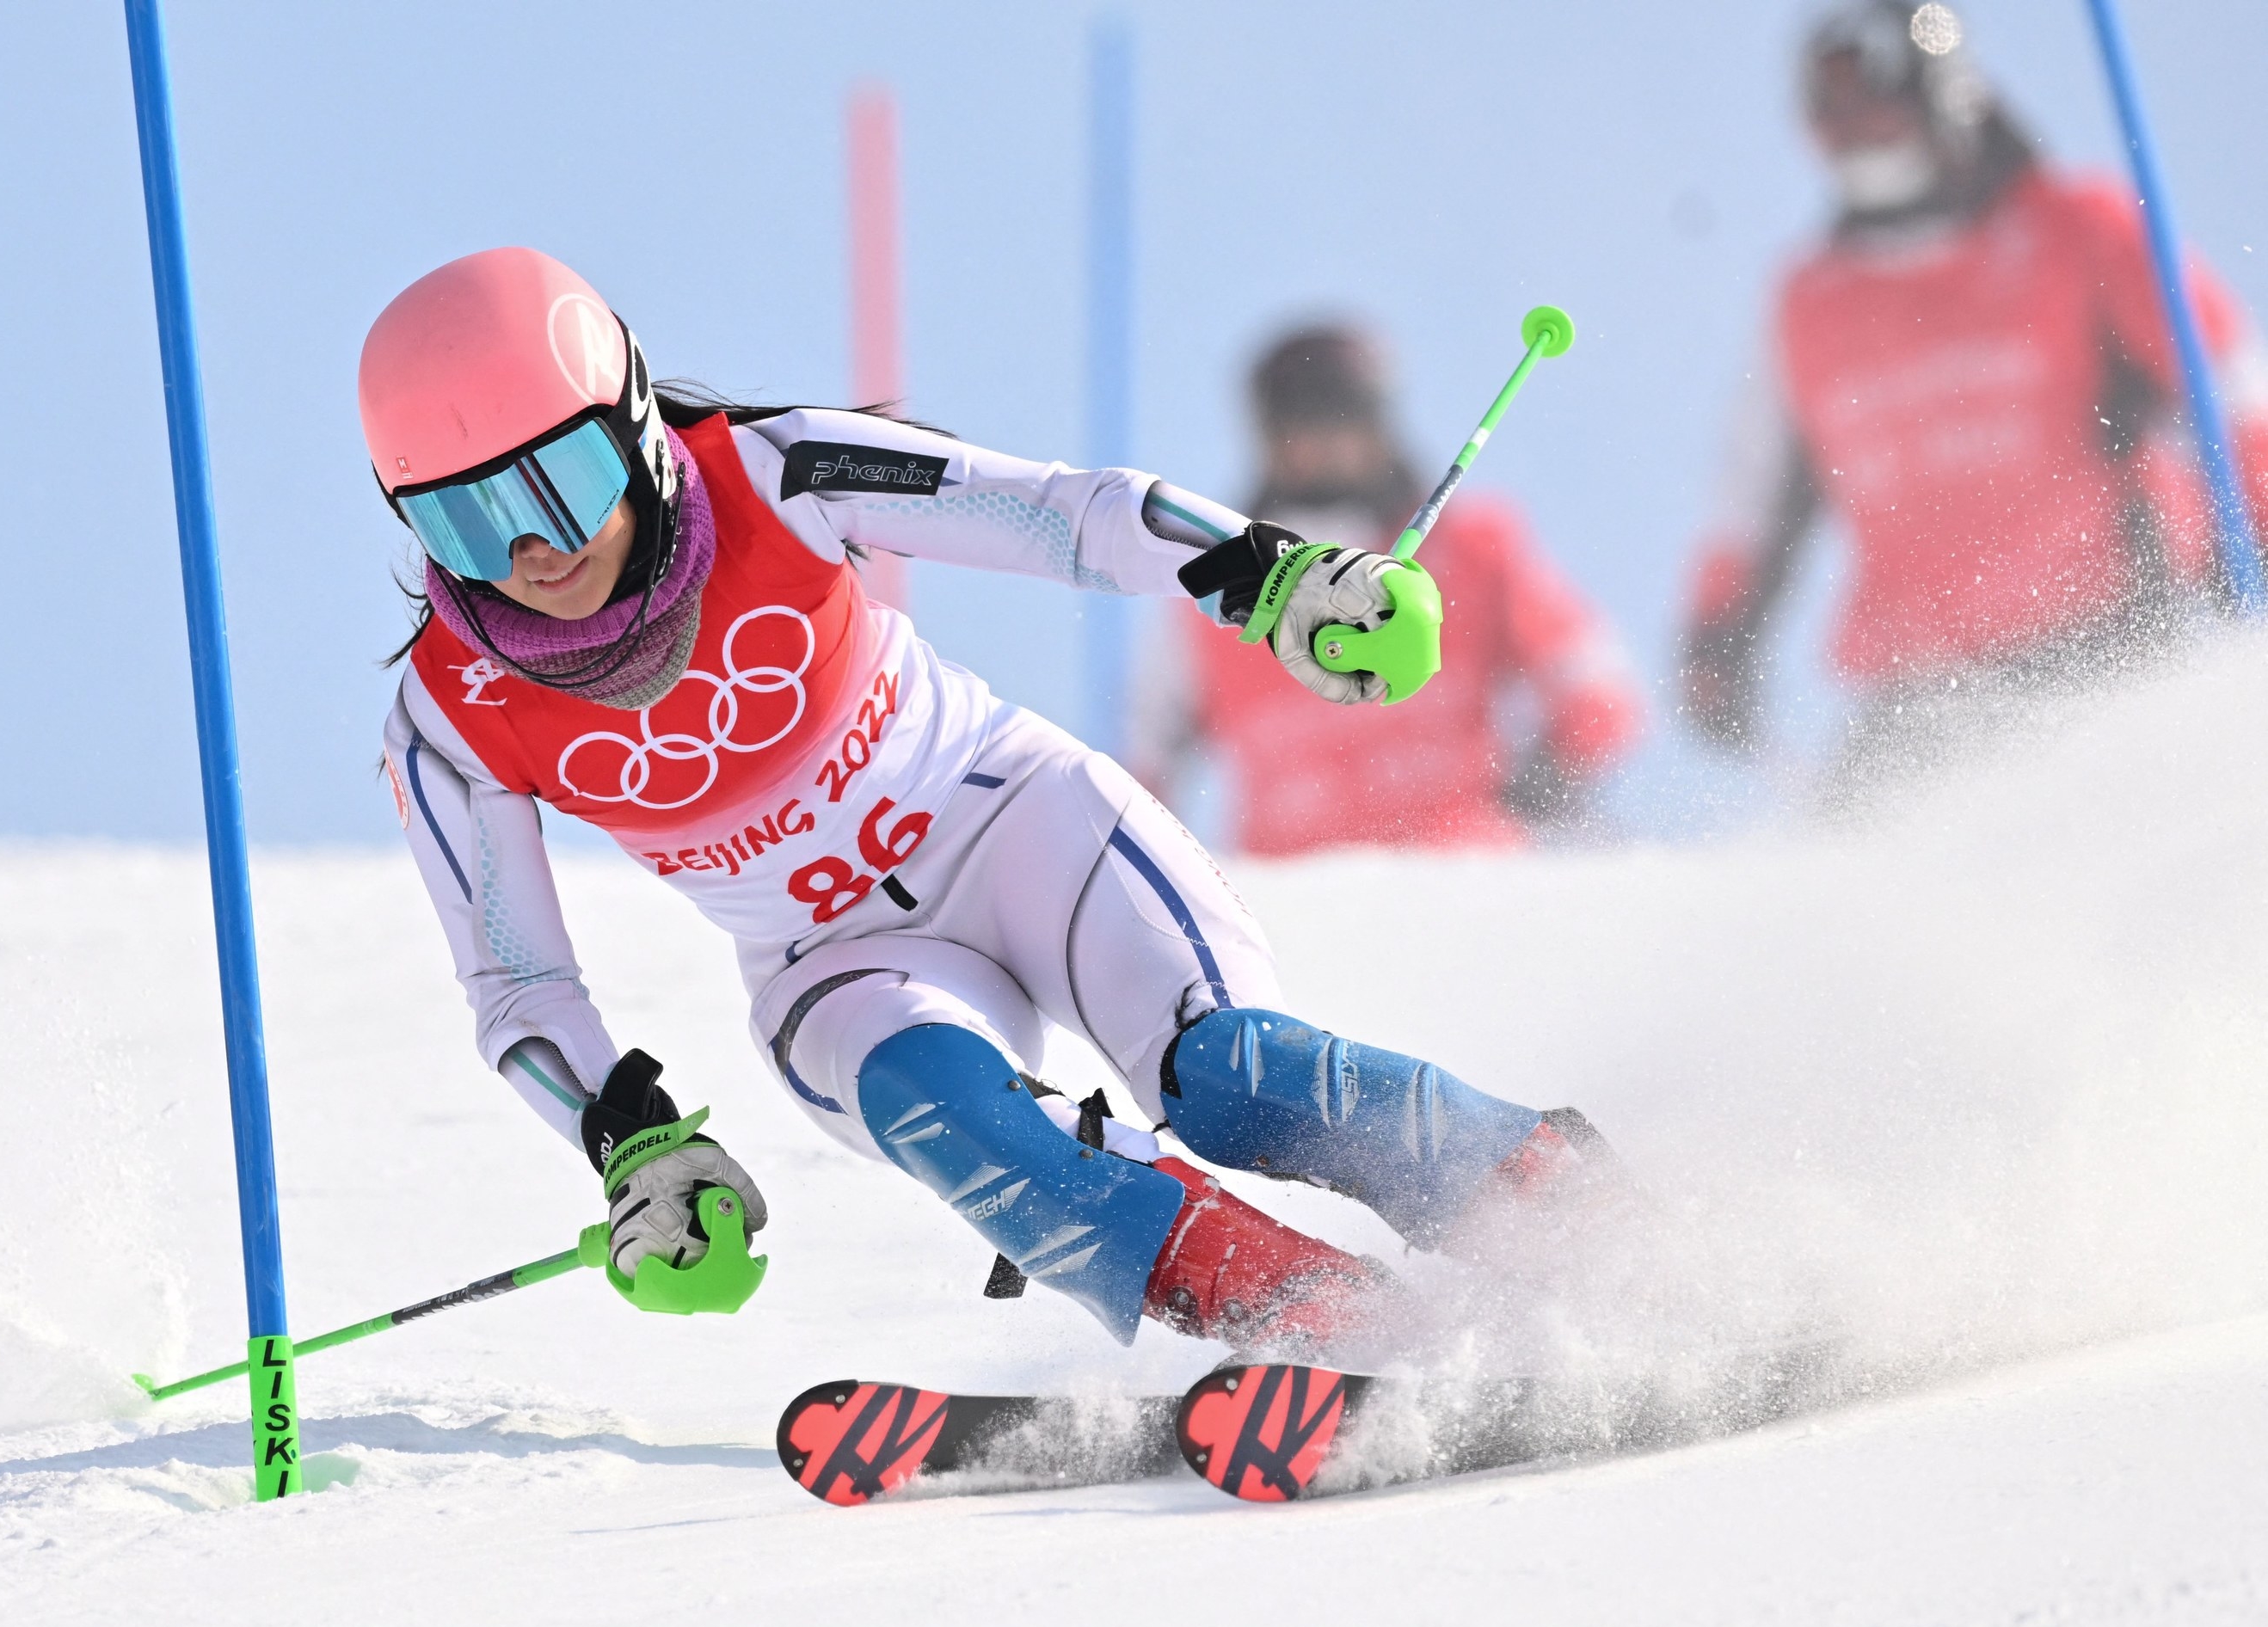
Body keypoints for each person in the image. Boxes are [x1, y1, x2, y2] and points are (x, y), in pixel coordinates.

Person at [363, 248, 1614, 1362]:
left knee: (1230, 1074)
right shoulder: (449, 715)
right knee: (957, 1122)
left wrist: (1272, 579)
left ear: (631, 422)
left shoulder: (778, 471)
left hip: (1020, 824)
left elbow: (1064, 515)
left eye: (562, 482)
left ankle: (1572, 1214)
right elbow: (520, 987)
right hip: (835, 962)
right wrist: (635, 1144)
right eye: (467, 518)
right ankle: (1339, 1337)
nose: (533, 552)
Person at [1681, 0, 2268, 785]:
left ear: (1939, 94)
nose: (1858, 133)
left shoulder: (2075, 228)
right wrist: (1720, 633)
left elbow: (2229, 389)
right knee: (1852, 896)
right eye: (1835, 112)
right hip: (1915, 688)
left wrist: (2256, 521)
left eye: (1875, 103)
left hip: (2105, 646)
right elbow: (1751, 494)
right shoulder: (1810, 300)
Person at [1133, 324, 1641, 854]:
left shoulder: (1470, 549)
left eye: (1344, 417)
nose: (1326, 443)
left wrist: (1540, 785)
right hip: (1295, 903)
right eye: (1301, 422)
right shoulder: (1213, 595)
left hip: (1466, 877)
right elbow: (1142, 769)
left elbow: (1594, 681)